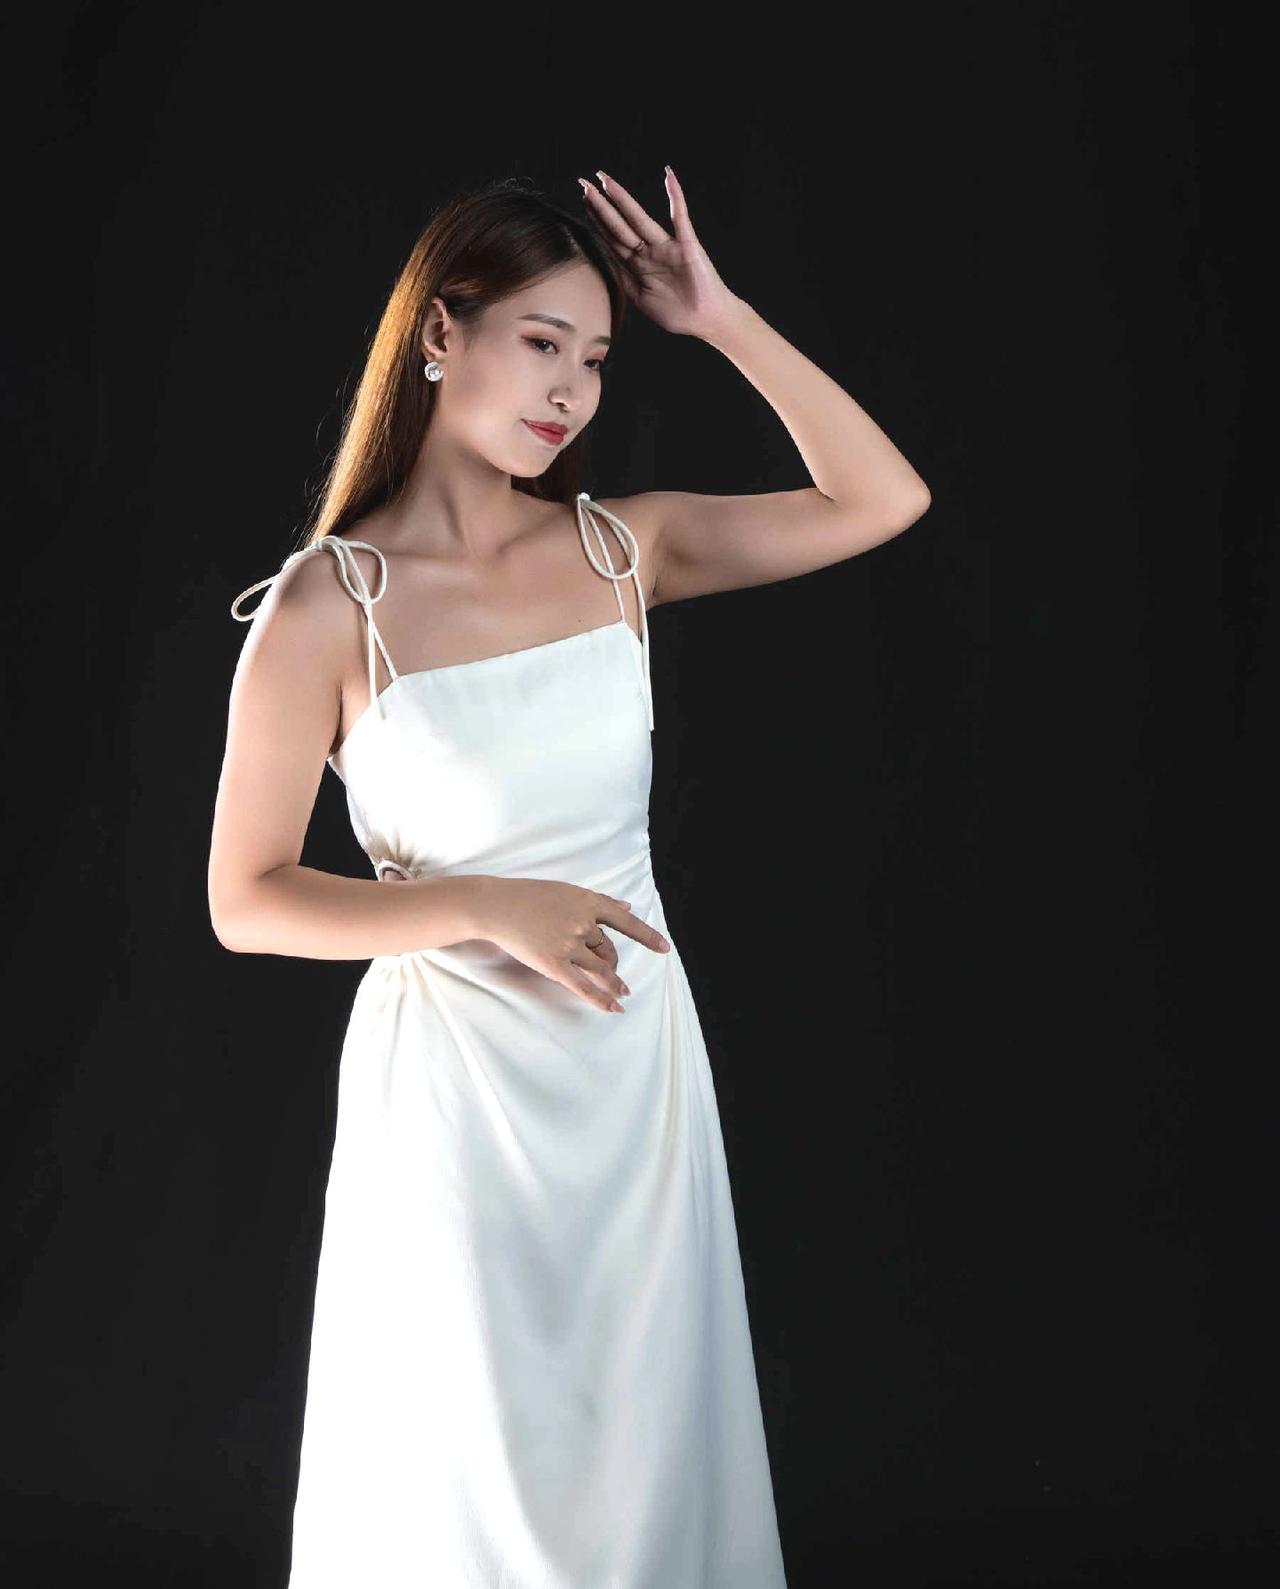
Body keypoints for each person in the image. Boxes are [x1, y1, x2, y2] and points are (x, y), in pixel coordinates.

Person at [208, 166, 930, 1587]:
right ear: (441, 333)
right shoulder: (328, 602)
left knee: (643, 1459)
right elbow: (247, 897)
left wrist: (717, 318)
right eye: (543, 342)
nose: (571, 391)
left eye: (595, 359)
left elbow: (883, 497)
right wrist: (488, 905)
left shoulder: (619, 550)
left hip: (631, 1074)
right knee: (469, 1465)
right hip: (456, 1097)